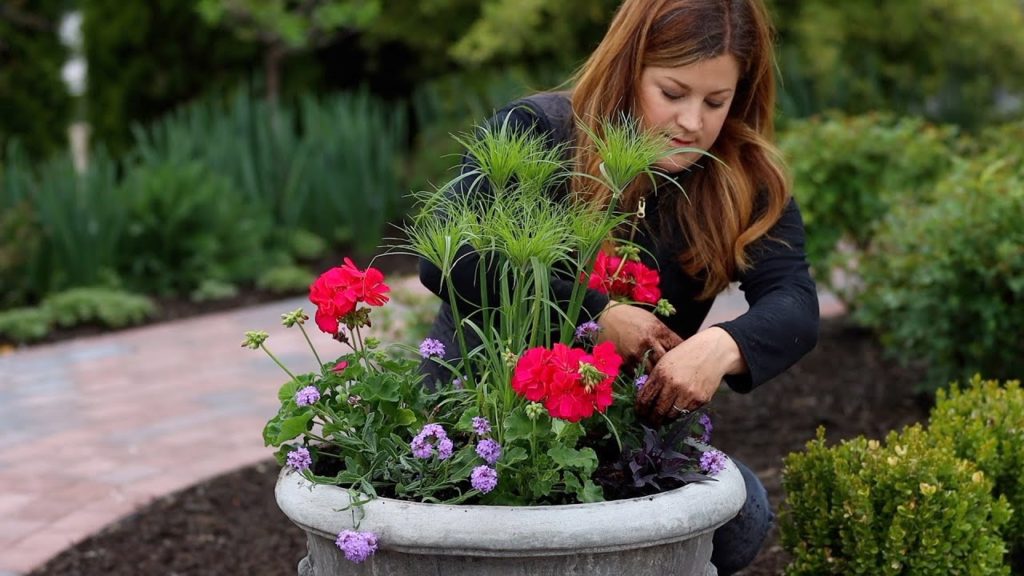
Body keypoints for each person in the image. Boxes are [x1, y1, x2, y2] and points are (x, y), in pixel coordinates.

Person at [418, 0, 819, 573]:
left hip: (615, 427)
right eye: (672, 92)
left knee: (744, 516)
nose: (691, 122)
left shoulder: (742, 177)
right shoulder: (540, 131)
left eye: (716, 101)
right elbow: (447, 257)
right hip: (483, 412)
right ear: (628, 67)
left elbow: (796, 303)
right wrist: (596, 313)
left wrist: (723, 346)